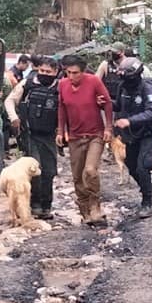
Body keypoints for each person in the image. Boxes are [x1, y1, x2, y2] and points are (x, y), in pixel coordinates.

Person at [57, 54, 113, 227]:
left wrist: (108, 128)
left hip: (95, 134)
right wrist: (61, 131)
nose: (71, 77)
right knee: (77, 176)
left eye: (75, 73)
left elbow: (108, 103)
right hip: (74, 136)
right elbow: (62, 108)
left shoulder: (94, 81)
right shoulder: (62, 85)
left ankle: (95, 205)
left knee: (90, 170)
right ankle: (84, 209)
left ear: (83, 72)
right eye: (68, 73)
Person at [5, 56, 60, 220]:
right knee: (34, 169)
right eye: (42, 70)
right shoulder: (27, 85)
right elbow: (9, 101)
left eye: (48, 72)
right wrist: (14, 117)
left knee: (49, 171)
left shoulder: (59, 87)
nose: (44, 74)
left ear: (55, 72)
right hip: (30, 134)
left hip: (49, 136)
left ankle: (46, 206)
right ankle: (34, 205)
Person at [113, 57, 152, 218]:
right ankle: (147, 186)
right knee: (130, 163)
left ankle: (147, 202)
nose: (124, 79)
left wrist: (129, 120)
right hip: (131, 133)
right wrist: (104, 102)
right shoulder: (122, 88)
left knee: (143, 165)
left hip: (148, 132)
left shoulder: (147, 89)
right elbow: (118, 106)